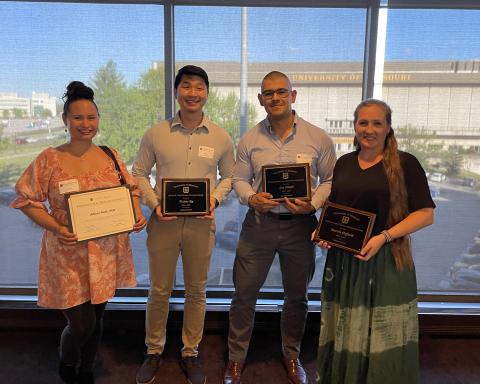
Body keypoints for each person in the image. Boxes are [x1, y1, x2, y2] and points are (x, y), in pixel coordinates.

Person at [10, 81, 147, 384]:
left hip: (105, 251)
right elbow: (26, 199)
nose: (85, 124)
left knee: (97, 316)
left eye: (91, 118)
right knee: (81, 323)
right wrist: (57, 226)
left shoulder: (110, 154)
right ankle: (67, 358)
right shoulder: (49, 158)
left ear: (98, 120)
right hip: (67, 250)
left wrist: (136, 214)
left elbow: (131, 190)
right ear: (65, 121)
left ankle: (85, 369)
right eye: (78, 118)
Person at [224, 71, 336, 384]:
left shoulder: (318, 138)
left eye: (281, 92)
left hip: (300, 227)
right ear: (261, 100)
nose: (275, 98)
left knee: (297, 296)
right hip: (259, 225)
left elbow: (330, 180)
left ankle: (291, 354)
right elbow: (239, 180)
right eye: (268, 93)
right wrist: (250, 198)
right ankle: (235, 359)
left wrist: (314, 203)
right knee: (244, 295)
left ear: (293, 95)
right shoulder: (249, 139)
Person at [315, 99, 435, 384]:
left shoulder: (406, 163)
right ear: (355, 126)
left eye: (377, 123)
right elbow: (337, 208)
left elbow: (426, 214)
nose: (369, 129)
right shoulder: (344, 163)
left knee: (382, 334)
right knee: (344, 329)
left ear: (389, 128)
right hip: (345, 263)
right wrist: (324, 232)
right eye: (363, 123)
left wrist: (384, 237)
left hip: (387, 259)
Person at [133, 65, 235, 384]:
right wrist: (154, 204)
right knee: (159, 289)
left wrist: (215, 200)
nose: (193, 93)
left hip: (201, 226)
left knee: (196, 290)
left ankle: (190, 352)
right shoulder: (156, 133)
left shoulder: (220, 136)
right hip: (163, 223)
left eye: (199, 87)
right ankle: (153, 351)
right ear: (177, 92)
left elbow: (230, 177)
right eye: (186, 86)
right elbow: (138, 173)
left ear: (207, 93)